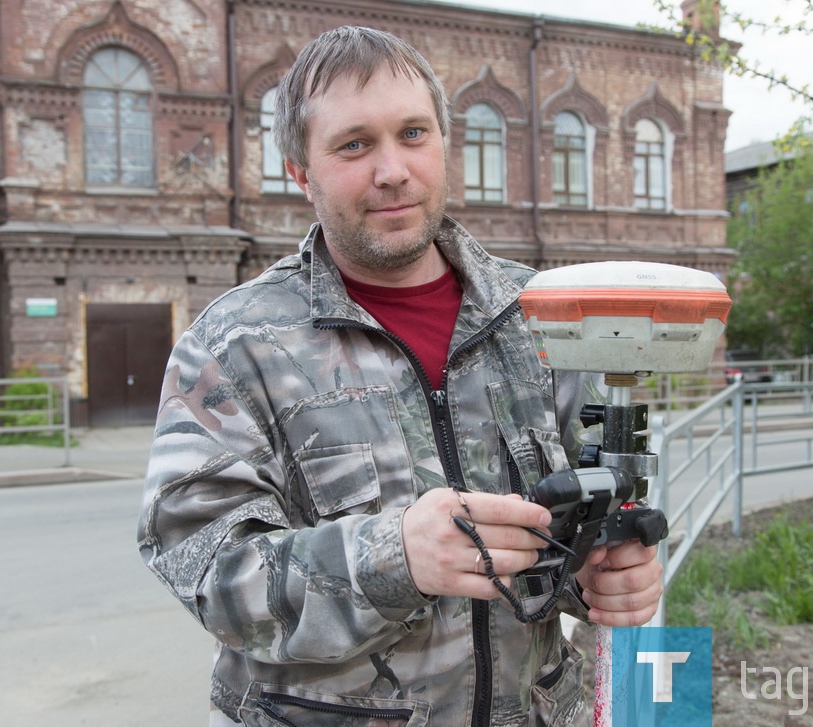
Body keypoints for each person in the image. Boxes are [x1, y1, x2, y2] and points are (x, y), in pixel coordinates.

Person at [138, 25, 662, 726]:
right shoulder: (233, 346)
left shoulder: (542, 319)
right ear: (300, 171)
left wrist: (601, 577)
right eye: (354, 144)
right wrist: (394, 555)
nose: (393, 169)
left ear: (443, 144)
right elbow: (205, 575)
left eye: (413, 133)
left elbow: (575, 530)